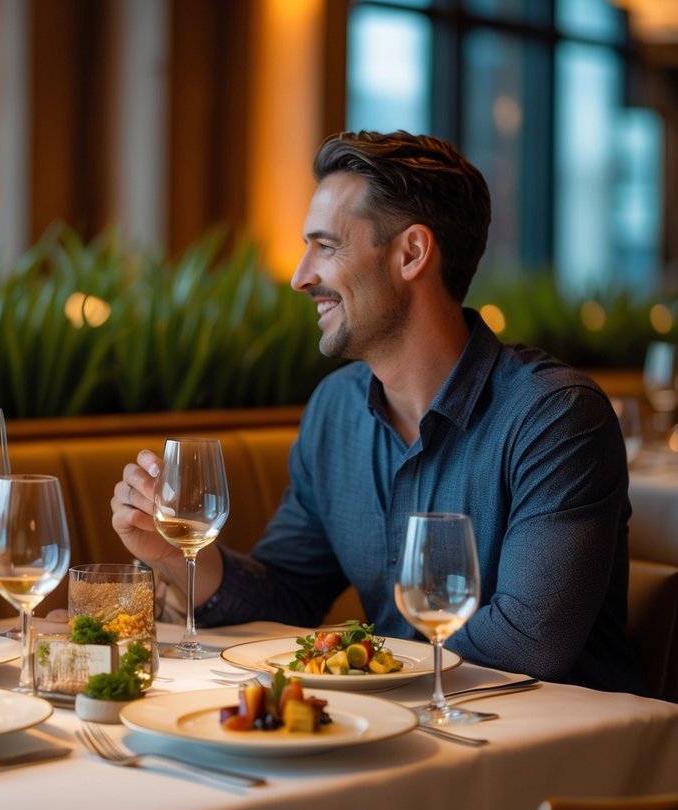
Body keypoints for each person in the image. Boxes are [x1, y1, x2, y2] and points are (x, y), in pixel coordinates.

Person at [111, 130, 645, 694]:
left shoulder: (555, 418)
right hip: (403, 731)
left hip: (561, 756)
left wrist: (348, 661)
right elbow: (290, 590)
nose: (300, 277)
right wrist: (180, 558)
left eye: (326, 246)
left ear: (411, 253)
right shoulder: (336, 410)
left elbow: (528, 641)